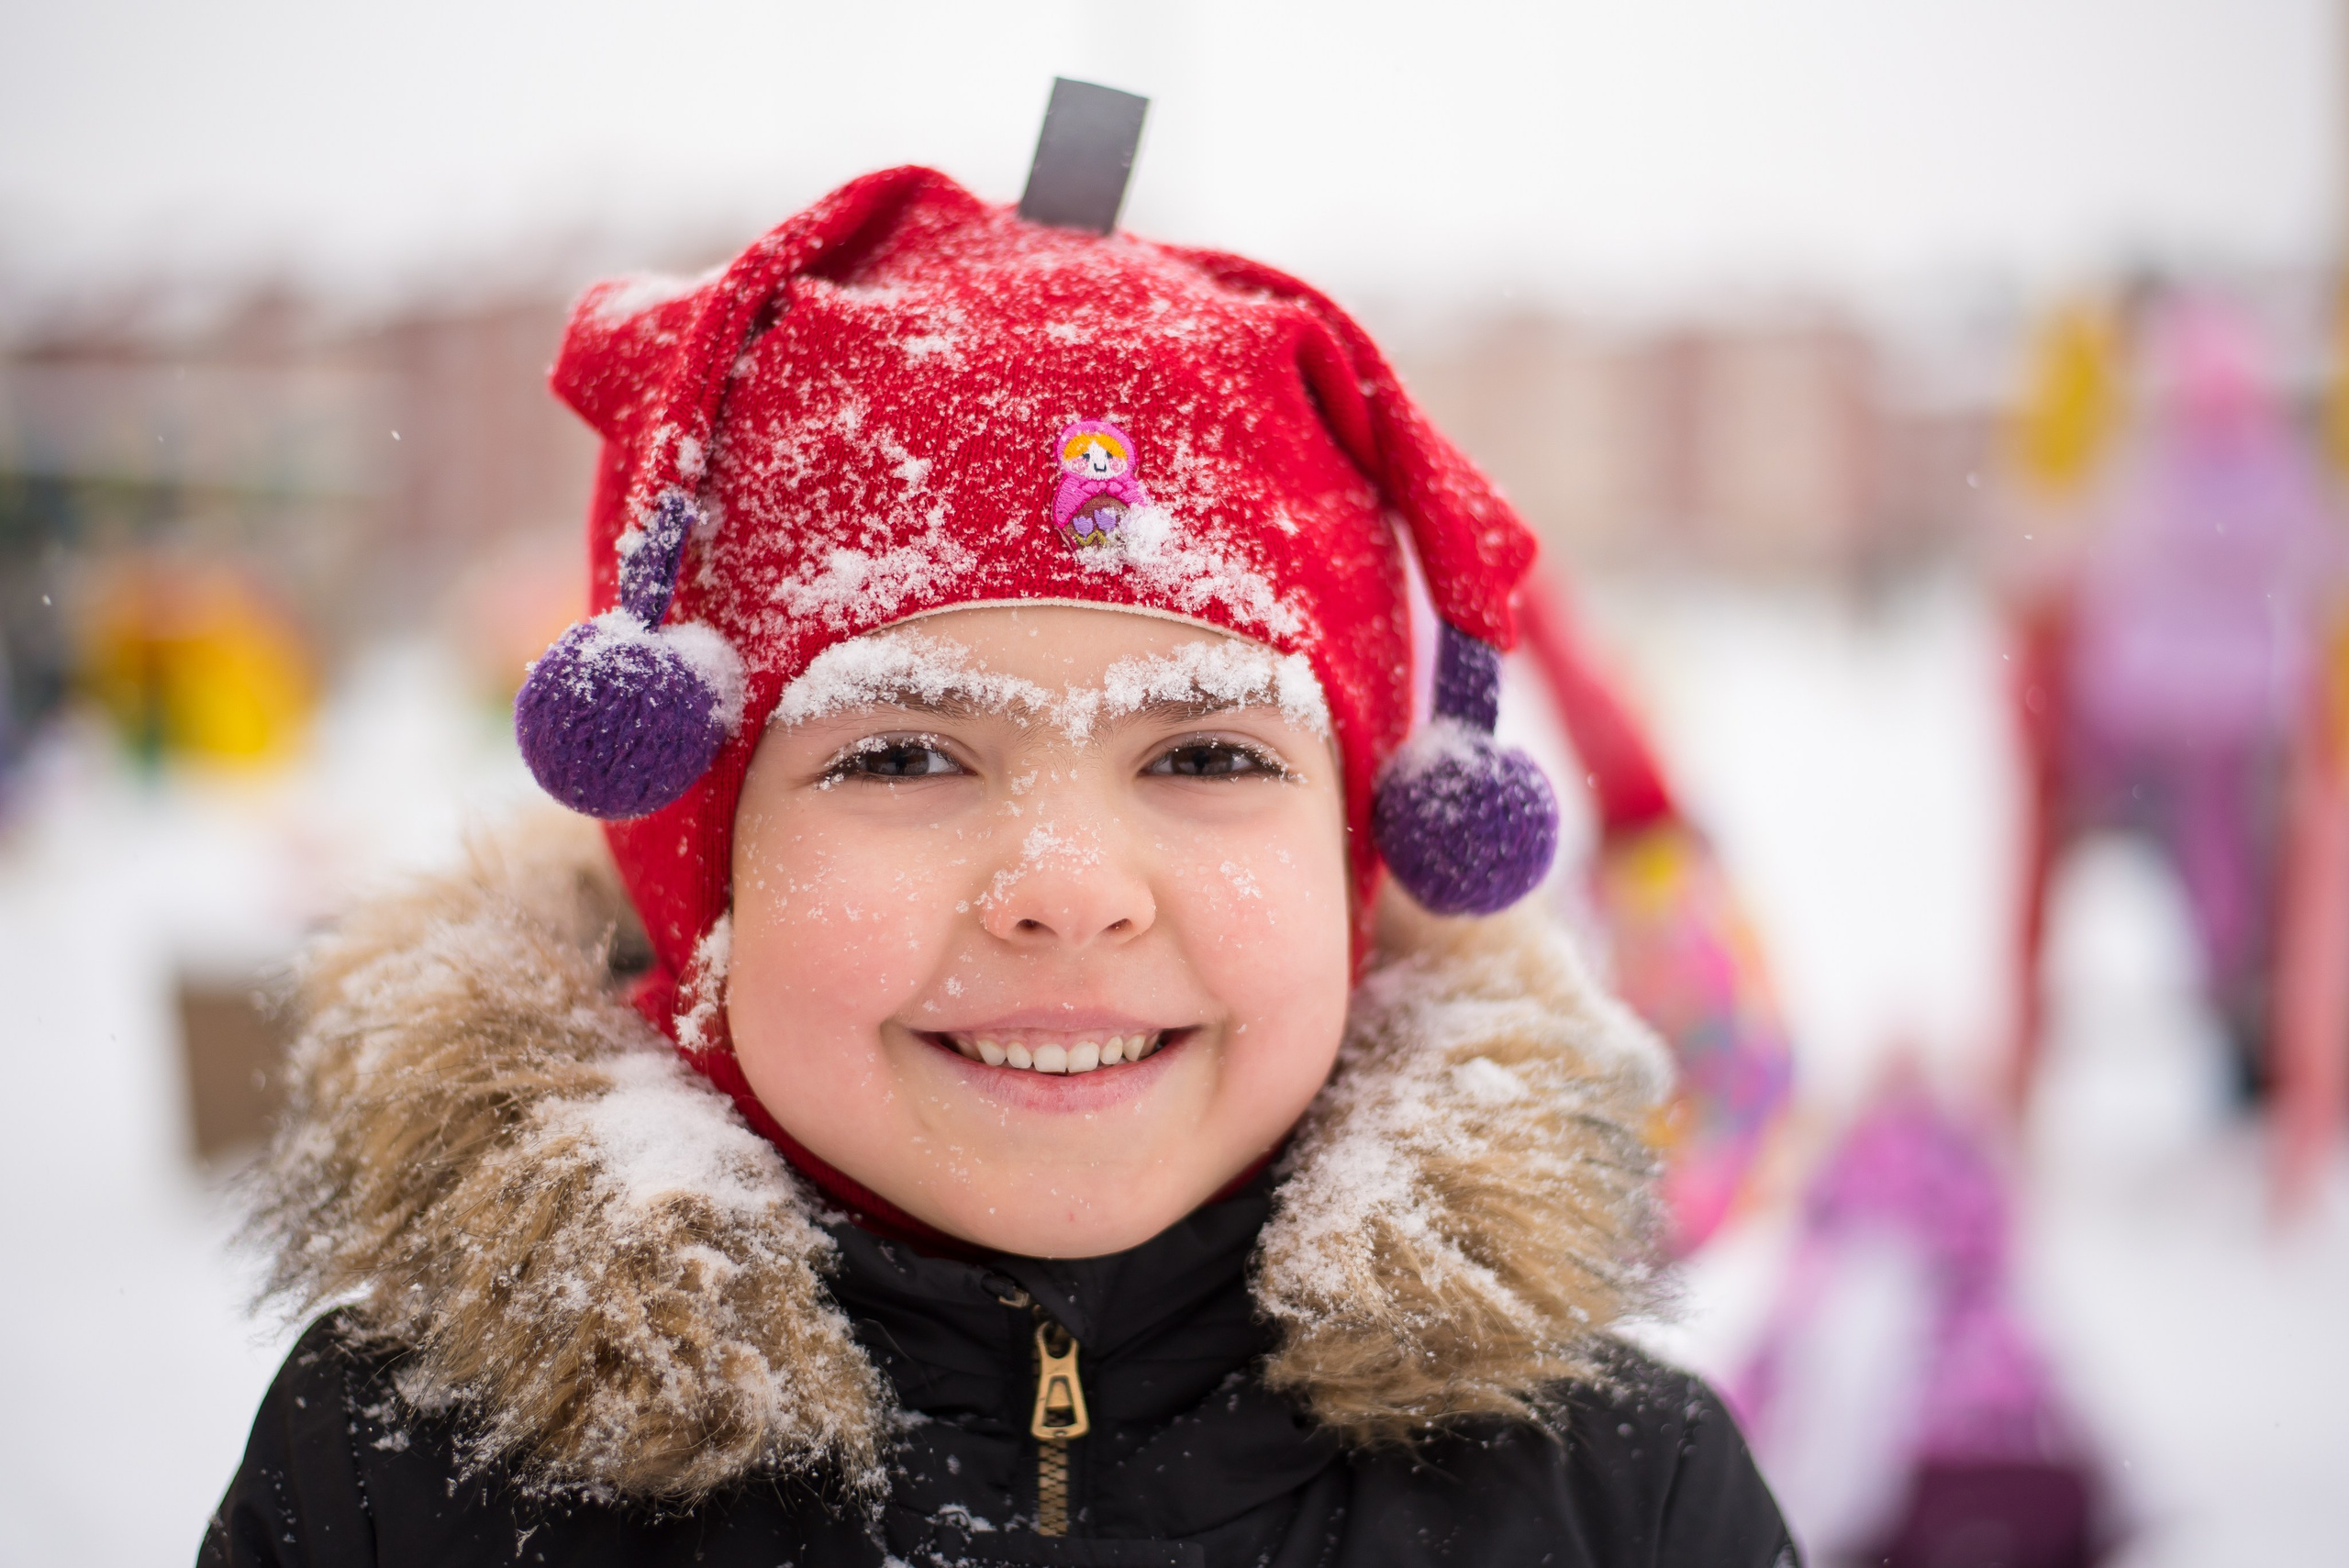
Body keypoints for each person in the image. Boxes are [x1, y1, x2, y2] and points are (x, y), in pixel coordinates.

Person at [201, 165, 1797, 1567]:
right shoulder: (401, 1485)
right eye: (900, 753)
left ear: (1356, 859)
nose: (1067, 885)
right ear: (703, 875)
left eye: (1206, 754)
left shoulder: (1619, 1499)